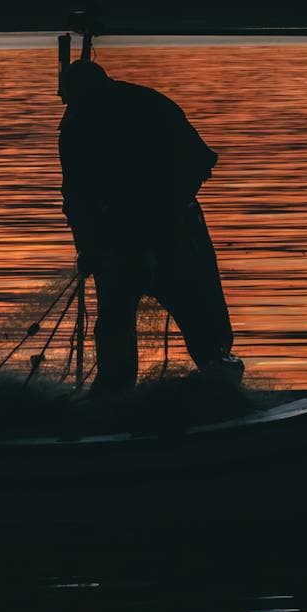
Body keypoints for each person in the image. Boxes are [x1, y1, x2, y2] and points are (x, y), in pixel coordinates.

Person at [58, 59, 241, 391]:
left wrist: (159, 212)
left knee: (194, 308)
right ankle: (115, 392)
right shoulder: (76, 125)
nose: (75, 107)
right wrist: (87, 247)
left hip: (172, 231)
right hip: (116, 239)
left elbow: (199, 163)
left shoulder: (148, 107)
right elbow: (75, 198)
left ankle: (217, 376)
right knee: (115, 317)